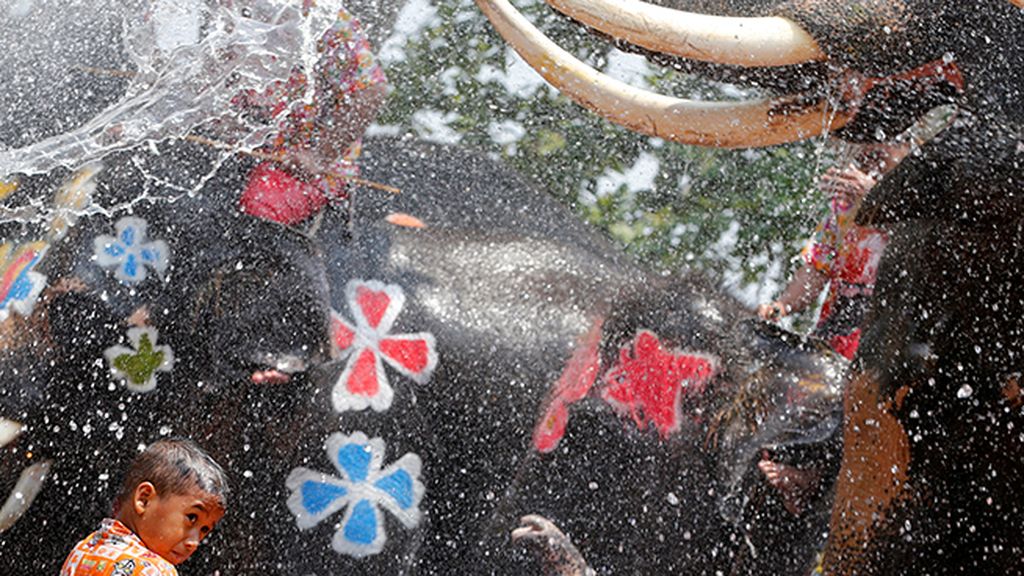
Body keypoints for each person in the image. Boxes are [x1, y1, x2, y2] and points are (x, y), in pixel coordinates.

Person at [756, 141, 910, 360]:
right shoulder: (845, 206)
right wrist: (782, 305)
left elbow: (918, 247)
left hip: (889, 348)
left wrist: (876, 197)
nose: (869, 149)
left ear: (909, 148)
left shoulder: (925, 206)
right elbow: (817, 269)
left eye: (887, 142)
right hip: (834, 341)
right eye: (865, 141)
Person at [60, 438, 229, 575]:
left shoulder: (82, 551)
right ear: (144, 499)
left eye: (204, 530)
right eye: (192, 518)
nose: (194, 542)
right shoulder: (154, 570)